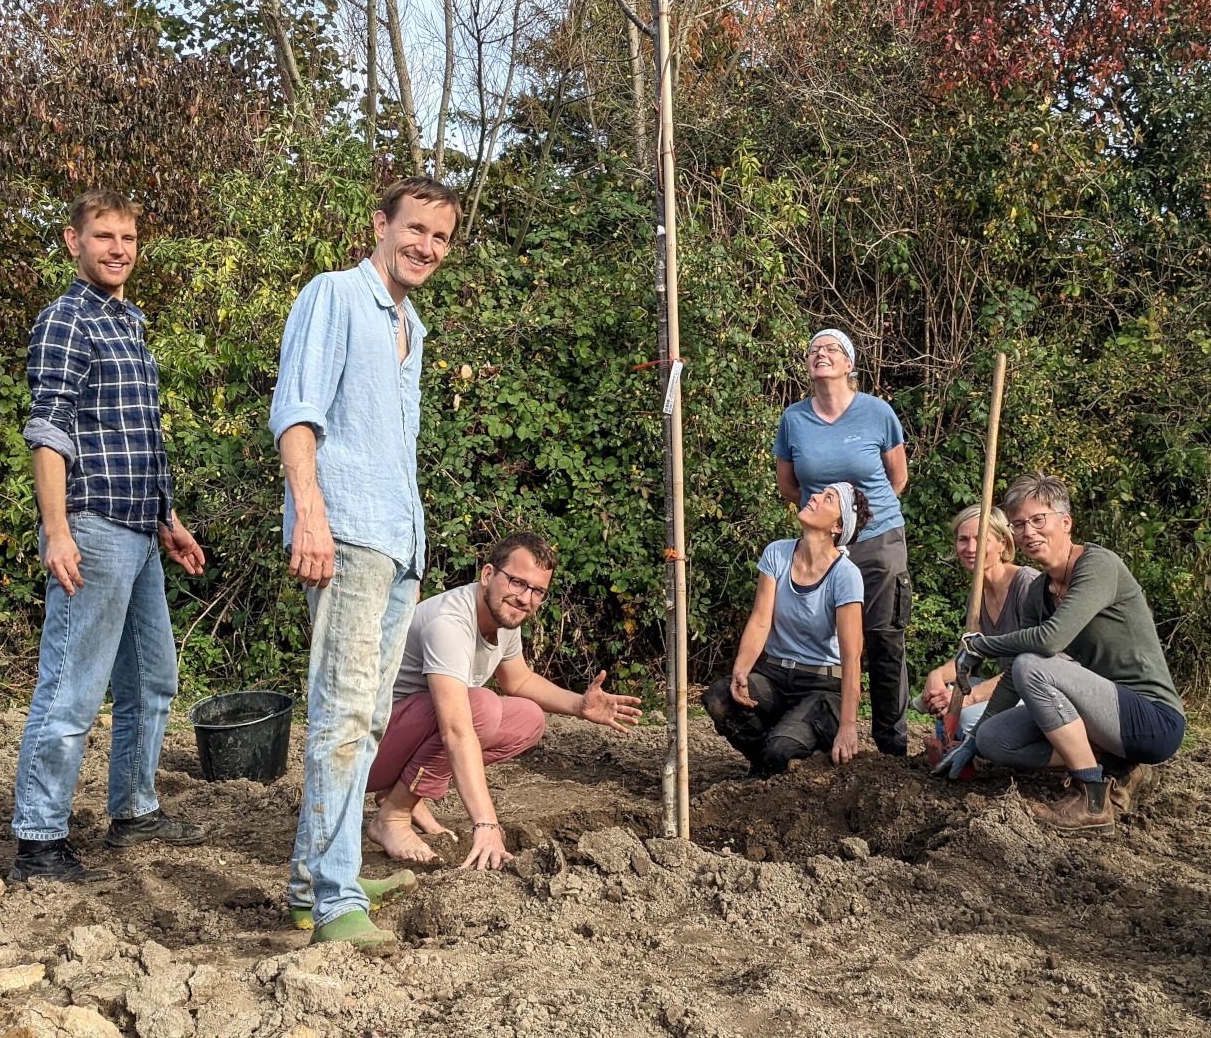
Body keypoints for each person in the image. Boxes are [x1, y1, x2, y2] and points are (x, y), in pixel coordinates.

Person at [268, 177, 457, 951]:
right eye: (415, 230)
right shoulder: (335, 295)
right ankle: (336, 900)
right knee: (342, 716)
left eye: (441, 238)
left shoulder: (410, 325)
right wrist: (310, 514)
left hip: (396, 541)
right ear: (382, 225)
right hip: (345, 531)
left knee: (369, 719)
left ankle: (318, 878)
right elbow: (297, 411)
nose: (426, 247)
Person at [11, 190, 209, 883]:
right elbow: (49, 430)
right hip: (91, 530)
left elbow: (133, 439)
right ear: (74, 242)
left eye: (128, 237)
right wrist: (56, 530)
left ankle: (134, 810)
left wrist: (168, 520)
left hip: (140, 530)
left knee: (153, 678)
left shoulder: (128, 322)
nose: (118, 249)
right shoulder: (65, 321)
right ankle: (38, 841)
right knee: (71, 688)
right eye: (104, 236)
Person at [363, 533, 644, 870]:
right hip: (368, 750)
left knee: (528, 718)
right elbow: (456, 730)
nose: (525, 598)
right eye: (516, 582)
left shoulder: (503, 616)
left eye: (537, 591)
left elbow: (518, 680)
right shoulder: (449, 623)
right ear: (487, 575)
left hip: (405, 738)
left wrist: (579, 706)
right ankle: (392, 817)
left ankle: (402, 793)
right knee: (480, 707)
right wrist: (486, 824)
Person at [959, 472, 1186, 832]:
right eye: (1019, 524)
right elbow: (1018, 677)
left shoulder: (1098, 566)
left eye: (1038, 520)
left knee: (1033, 662)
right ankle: (1116, 767)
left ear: (1066, 523)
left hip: (1149, 719)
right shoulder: (1039, 593)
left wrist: (980, 645)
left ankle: (1092, 797)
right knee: (994, 739)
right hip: (1099, 717)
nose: (1029, 532)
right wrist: (972, 741)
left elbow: (1049, 641)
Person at [772, 329, 911, 756]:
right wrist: (828, 523)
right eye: (814, 349)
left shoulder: (877, 412)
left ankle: (892, 746)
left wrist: (858, 520)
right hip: (824, 543)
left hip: (878, 539)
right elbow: (788, 485)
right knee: (822, 637)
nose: (821, 354)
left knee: (884, 638)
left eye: (832, 349)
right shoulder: (794, 419)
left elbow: (897, 478)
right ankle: (820, 732)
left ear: (850, 365)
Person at [704, 484, 872, 776]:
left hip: (822, 686)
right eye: (819, 492)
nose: (814, 497)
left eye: (827, 498)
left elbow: (851, 657)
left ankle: (786, 754)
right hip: (776, 676)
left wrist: (848, 726)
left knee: (780, 748)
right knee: (719, 698)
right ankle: (767, 765)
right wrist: (741, 670)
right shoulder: (777, 553)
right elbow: (760, 620)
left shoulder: (846, 575)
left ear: (838, 525)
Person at [916, 504, 1040, 759]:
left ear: (1003, 544)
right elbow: (969, 657)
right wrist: (937, 675)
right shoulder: (979, 593)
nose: (970, 548)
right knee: (940, 694)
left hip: (1038, 691)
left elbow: (1033, 665)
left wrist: (968, 700)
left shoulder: (1026, 584)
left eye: (980, 539)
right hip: (1011, 688)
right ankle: (953, 746)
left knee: (968, 719)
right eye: (963, 539)